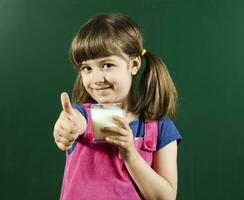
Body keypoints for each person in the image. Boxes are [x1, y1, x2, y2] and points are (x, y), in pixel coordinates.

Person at [53, 13, 182, 200]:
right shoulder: (83, 114)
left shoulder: (161, 128)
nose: (96, 78)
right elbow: (76, 122)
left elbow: (165, 197)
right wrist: (66, 128)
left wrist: (130, 154)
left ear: (134, 64)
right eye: (87, 68)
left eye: (107, 65)